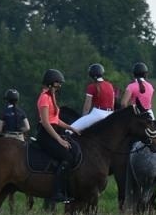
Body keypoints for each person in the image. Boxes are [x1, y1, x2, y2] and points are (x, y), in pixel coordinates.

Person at [34, 69, 76, 204]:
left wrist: (71, 128)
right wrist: (59, 140)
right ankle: (57, 192)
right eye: (58, 83)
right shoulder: (44, 98)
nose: (60, 85)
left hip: (54, 131)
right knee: (67, 157)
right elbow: (46, 122)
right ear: (51, 83)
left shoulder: (52, 96)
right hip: (46, 134)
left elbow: (56, 119)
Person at [70, 64, 118, 133]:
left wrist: (83, 118)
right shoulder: (110, 85)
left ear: (91, 75)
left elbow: (87, 107)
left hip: (98, 113)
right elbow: (112, 103)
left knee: (69, 130)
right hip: (110, 114)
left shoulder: (91, 87)